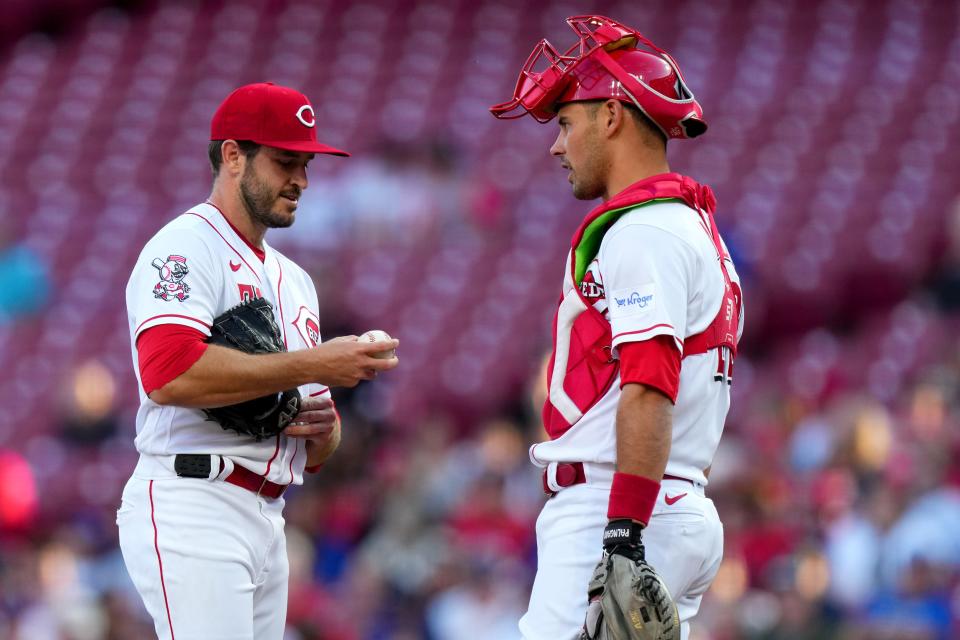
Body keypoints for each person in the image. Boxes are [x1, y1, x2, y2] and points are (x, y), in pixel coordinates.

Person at [117, 82, 399, 640]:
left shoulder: (295, 281)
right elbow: (167, 373)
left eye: (307, 164)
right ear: (232, 155)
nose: (300, 179)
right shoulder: (184, 247)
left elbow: (316, 440)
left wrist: (325, 431)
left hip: (269, 514)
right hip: (193, 501)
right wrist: (315, 363)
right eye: (284, 161)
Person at [490, 16, 743, 640]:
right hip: (669, 500)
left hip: (620, 504)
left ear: (611, 115)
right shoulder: (688, 225)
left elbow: (648, 384)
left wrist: (623, 534)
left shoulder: (645, 230)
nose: (556, 145)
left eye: (566, 123)